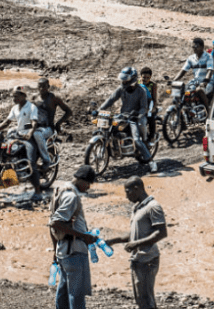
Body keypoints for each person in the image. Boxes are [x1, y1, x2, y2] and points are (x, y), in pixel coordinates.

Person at [106, 177, 167, 309]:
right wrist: (114, 241)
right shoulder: (137, 208)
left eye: (128, 192)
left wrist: (136, 244)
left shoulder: (153, 207)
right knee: (142, 300)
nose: (126, 196)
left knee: (146, 301)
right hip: (138, 260)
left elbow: (161, 233)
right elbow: (135, 234)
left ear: (136, 189)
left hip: (147, 260)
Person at [49, 165, 99, 309]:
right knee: (76, 296)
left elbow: (51, 223)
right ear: (82, 180)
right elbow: (56, 223)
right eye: (88, 183)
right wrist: (84, 236)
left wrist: (55, 251)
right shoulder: (71, 197)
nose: (88, 187)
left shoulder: (59, 190)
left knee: (63, 293)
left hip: (63, 252)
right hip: (74, 252)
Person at [0, 87, 48, 202]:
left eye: (16, 96)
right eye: (13, 96)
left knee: (31, 162)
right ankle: (2, 180)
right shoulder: (14, 108)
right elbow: (7, 122)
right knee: (3, 153)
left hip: (29, 138)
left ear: (23, 96)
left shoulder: (31, 107)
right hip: (17, 135)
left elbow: (34, 122)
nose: (14, 98)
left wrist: (29, 133)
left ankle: (38, 191)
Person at [99, 67, 156, 173]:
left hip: (136, 117)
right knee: (109, 129)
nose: (123, 81)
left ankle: (151, 162)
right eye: (123, 79)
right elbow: (110, 99)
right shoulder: (121, 88)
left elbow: (144, 107)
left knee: (137, 141)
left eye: (126, 79)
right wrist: (100, 109)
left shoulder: (141, 90)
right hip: (123, 116)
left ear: (133, 79)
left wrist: (138, 114)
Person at [173, 38, 214, 114]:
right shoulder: (191, 58)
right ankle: (181, 111)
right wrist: (174, 80)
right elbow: (183, 71)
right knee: (181, 89)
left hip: (208, 82)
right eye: (193, 47)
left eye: (196, 46)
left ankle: (209, 112)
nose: (194, 49)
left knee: (199, 90)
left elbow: (210, 70)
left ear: (202, 47)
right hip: (195, 81)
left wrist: (205, 81)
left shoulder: (208, 56)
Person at [138, 68, 158, 137]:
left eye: (148, 77)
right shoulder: (136, 84)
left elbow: (154, 98)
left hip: (149, 105)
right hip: (139, 105)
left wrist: (153, 108)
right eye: (144, 77)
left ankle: (152, 136)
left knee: (151, 118)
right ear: (140, 76)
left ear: (150, 77)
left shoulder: (153, 85)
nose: (145, 79)